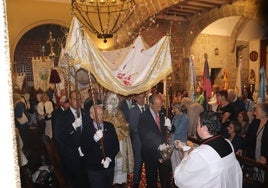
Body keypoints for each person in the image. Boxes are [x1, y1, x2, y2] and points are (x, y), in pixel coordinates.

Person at [173, 111, 242, 188]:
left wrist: (185, 155)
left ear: (205, 128)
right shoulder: (227, 142)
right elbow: (211, 155)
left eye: (198, 124)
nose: (196, 126)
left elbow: (180, 180)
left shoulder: (199, 154)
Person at [54, 90, 88, 188]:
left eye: (79, 99)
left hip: (86, 155)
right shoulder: (62, 116)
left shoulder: (85, 113)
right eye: (75, 99)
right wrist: (72, 127)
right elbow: (58, 136)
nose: (78, 101)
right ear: (70, 100)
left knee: (86, 181)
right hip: (70, 155)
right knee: (74, 182)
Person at [81, 105, 119, 188]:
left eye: (102, 114)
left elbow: (116, 146)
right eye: (98, 114)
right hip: (94, 169)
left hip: (109, 167)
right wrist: (94, 139)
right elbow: (84, 149)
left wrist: (109, 158)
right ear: (91, 116)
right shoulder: (87, 129)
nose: (101, 117)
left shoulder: (110, 126)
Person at [138, 93, 172, 188]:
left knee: (165, 178)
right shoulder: (143, 117)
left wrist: (170, 126)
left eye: (161, 106)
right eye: (157, 106)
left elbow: (172, 129)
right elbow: (144, 136)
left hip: (164, 152)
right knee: (151, 179)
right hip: (150, 152)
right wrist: (158, 145)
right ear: (151, 104)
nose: (160, 109)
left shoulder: (163, 112)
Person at [103, 92, 134, 186]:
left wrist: (122, 125)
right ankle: (112, 179)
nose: (113, 103)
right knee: (112, 160)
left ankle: (120, 180)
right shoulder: (104, 113)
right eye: (111, 101)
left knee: (121, 161)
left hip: (121, 140)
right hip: (111, 141)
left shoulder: (120, 112)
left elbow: (125, 125)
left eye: (115, 101)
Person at [129, 92, 148, 188]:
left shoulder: (148, 108)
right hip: (138, 140)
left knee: (148, 160)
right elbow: (132, 128)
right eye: (139, 98)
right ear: (136, 98)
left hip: (147, 140)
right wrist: (143, 130)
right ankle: (136, 183)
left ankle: (149, 181)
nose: (141, 100)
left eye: (143, 97)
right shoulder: (133, 111)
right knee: (138, 161)